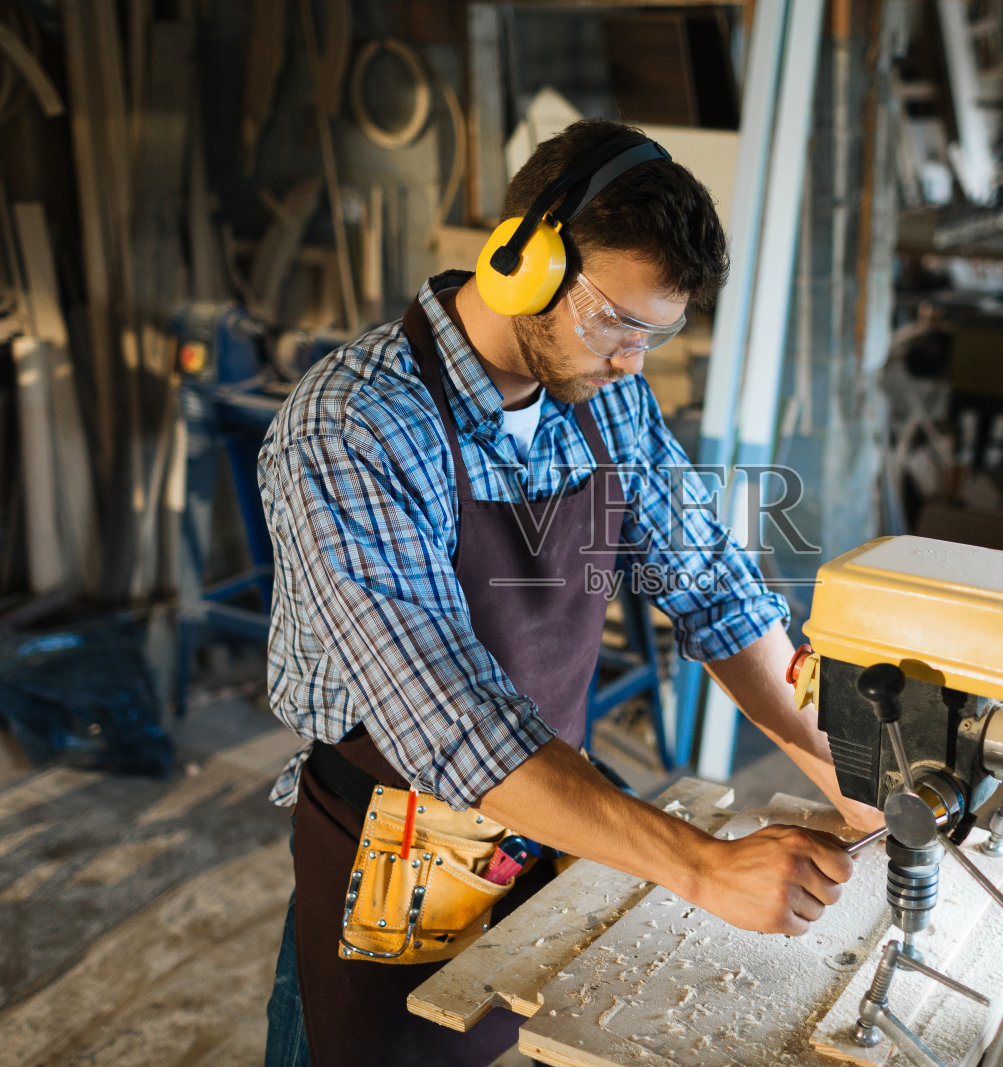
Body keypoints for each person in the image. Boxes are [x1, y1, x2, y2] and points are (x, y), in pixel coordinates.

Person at [259, 118, 885, 1066]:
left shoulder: (603, 394)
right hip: (393, 856)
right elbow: (453, 725)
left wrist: (842, 769)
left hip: (552, 822)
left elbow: (710, 582)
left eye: (657, 334)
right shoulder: (354, 428)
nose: (635, 362)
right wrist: (702, 868)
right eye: (619, 324)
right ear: (523, 264)